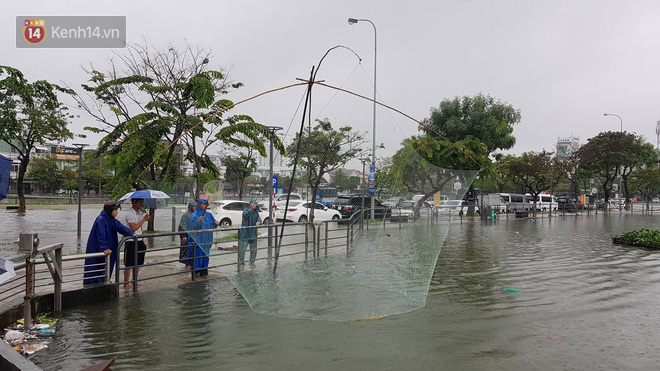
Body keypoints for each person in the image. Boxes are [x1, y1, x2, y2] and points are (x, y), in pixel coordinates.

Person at [83, 202, 135, 286]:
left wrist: (131, 233)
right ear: (110, 210)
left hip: (110, 248)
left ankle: (104, 282)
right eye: (115, 210)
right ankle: (92, 285)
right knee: (96, 267)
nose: (117, 212)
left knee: (107, 267)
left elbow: (120, 227)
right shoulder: (101, 220)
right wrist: (104, 248)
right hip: (98, 249)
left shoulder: (112, 220)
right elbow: (101, 235)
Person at [187, 198, 219, 276]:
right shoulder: (195, 215)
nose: (205, 206)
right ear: (199, 204)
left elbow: (213, 225)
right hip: (198, 239)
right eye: (203, 204)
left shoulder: (209, 215)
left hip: (207, 240)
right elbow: (191, 227)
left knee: (206, 256)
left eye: (206, 204)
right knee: (198, 256)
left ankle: (204, 270)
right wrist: (198, 221)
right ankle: (196, 271)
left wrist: (216, 223)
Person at [124, 198, 151, 287]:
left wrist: (143, 240)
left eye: (142, 202)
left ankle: (134, 280)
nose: (141, 204)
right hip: (131, 240)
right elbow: (133, 228)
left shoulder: (140, 213)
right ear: (134, 203)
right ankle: (126, 283)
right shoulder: (130, 214)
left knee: (138, 262)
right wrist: (144, 220)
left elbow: (140, 229)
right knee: (129, 263)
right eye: (139, 202)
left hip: (139, 240)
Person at [239, 199, 262, 265]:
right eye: (253, 204)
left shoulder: (256, 212)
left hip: (253, 234)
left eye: (255, 204)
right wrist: (250, 209)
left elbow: (260, 220)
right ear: (251, 204)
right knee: (242, 250)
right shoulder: (246, 210)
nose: (254, 205)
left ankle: (252, 263)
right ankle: (241, 263)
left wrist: (259, 222)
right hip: (245, 234)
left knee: (254, 250)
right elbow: (245, 215)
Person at [178, 202, 196, 269]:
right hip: (187, 237)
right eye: (194, 206)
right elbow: (182, 226)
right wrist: (183, 236)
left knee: (192, 252)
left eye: (196, 206)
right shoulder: (185, 215)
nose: (195, 208)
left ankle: (191, 267)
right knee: (186, 251)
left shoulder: (196, 214)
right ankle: (187, 266)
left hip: (194, 236)